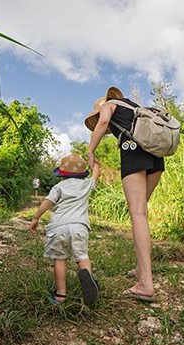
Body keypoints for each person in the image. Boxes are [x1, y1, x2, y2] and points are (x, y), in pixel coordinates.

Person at [84, 86, 163, 302]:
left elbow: (101, 122)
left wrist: (91, 150)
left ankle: (145, 283)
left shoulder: (109, 105)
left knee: (137, 215)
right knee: (141, 213)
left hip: (133, 149)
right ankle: (140, 269)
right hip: (156, 154)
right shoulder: (134, 108)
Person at [29, 154, 101, 305]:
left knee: (60, 259)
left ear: (61, 174)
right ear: (82, 174)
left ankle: (61, 295)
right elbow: (95, 174)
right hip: (79, 227)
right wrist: (95, 163)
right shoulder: (86, 185)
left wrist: (36, 218)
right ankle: (88, 277)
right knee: (82, 257)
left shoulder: (59, 187)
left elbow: (47, 202)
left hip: (59, 227)